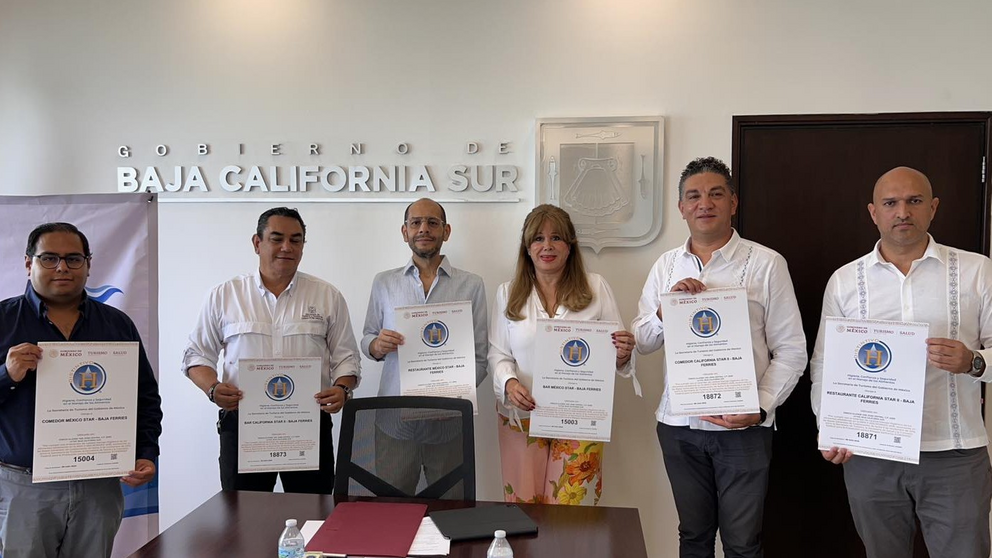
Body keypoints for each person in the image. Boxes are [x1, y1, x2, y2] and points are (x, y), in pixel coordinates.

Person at [810, 166, 992, 558]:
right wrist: (831, 428)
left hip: (954, 452)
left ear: (933, 208)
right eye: (891, 203)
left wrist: (973, 361)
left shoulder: (978, 271)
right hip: (870, 453)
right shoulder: (844, 281)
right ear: (874, 212)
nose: (903, 212)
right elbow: (824, 365)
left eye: (914, 201)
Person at [632, 157, 807, 558]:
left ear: (733, 202)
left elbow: (792, 350)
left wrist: (759, 407)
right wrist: (664, 311)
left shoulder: (766, 264)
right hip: (679, 427)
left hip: (744, 430)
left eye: (716, 194)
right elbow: (642, 340)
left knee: (743, 544)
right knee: (693, 537)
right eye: (694, 196)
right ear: (681, 208)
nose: (704, 204)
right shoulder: (665, 266)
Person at [0, 222, 163, 558]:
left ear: (88, 265)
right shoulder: (3, 321)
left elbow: (144, 397)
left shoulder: (117, 324)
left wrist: (146, 452)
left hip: (99, 485)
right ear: (29, 263)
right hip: (24, 487)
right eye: (49, 258)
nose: (62, 267)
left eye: (73, 259)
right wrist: (7, 374)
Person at [182, 207, 360, 493]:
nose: (287, 247)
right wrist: (213, 389)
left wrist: (342, 389)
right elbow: (196, 356)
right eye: (277, 239)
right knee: (242, 512)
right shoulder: (224, 295)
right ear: (257, 243)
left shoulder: (327, 296)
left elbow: (347, 358)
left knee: (312, 510)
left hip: (307, 425)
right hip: (243, 424)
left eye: (296, 240)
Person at [488, 204, 636, 505]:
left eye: (556, 237)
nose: (547, 246)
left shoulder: (596, 288)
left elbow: (616, 354)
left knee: (572, 508)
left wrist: (622, 353)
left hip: (580, 418)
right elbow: (498, 354)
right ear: (527, 247)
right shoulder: (507, 293)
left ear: (570, 245)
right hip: (523, 416)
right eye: (538, 238)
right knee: (524, 508)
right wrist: (509, 384)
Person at [361, 198, 488, 496]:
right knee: (393, 507)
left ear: (446, 231)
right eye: (415, 223)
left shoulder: (472, 285)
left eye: (432, 222)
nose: (424, 229)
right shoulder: (384, 283)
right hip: (394, 421)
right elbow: (367, 339)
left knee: (452, 508)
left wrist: (456, 393)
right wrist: (378, 345)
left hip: (449, 421)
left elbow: (480, 357)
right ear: (404, 231)